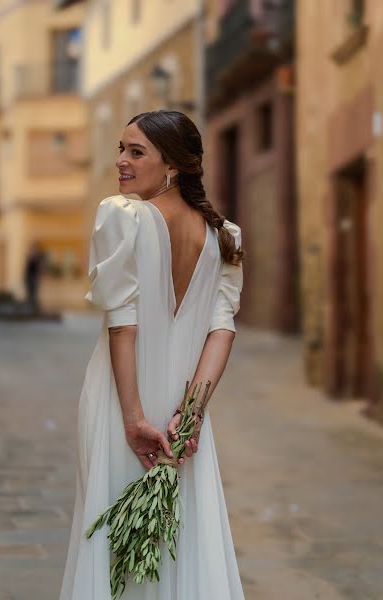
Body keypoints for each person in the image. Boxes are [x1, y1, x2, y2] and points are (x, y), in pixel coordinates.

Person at [59, 110, 245, 599]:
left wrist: (133, 419)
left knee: (107, 530)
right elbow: (221, 331)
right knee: (181, 535)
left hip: (126, 403)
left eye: (135, 151)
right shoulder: (224, 235)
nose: (120, 161)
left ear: (174, 165)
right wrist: (190, 417)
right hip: (181, 422)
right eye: (121, 148)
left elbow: (123, 326)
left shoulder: (123, 216)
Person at [23, 241, 46, 311]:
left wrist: (38, 276)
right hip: (29, 277)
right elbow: (27, 269)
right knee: (30, 292)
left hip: (33, 277)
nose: (33, 250)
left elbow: (40, 268)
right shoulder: (31, 257)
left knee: (34, 293)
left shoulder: (38, 257)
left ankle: (33, 306)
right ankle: (30, 305)